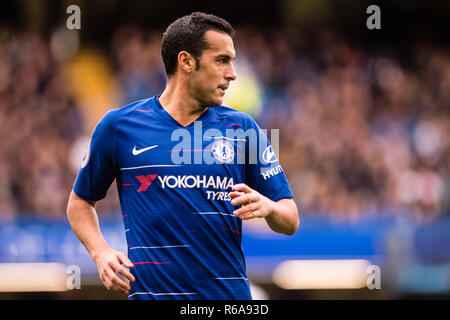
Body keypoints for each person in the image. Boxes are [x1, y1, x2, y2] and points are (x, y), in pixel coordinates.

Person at [67, 12, 299, 300]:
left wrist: (269, 207)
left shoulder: (243, 128)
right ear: (186, 61)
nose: (232, 73)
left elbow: (290, 219)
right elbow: (79, 202)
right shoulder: (119, 127)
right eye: (222, 60)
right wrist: (100, 252)